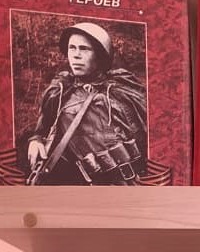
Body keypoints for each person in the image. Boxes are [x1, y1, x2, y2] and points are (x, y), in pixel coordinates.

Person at [26, 21, 147, 185]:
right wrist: (36, 140)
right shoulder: (60, 92)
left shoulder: (121, 90)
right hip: (82, 182)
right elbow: (43, 128)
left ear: (100, 55)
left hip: (129, 182)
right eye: (72, 48)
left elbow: (148, 135)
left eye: (84, 49)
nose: (76, 55)